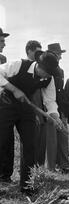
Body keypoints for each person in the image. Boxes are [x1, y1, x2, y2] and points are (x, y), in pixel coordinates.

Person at [0, 51, 62, 195]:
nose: (48, 76)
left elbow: (50, 100)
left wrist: (55, 116)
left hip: (26, 107)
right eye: (47, 72)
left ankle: (28, 186)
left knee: (30, 144)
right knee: (2, 141)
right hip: (6, 104)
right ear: (39, 66)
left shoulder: (49, 78)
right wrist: (14, 89)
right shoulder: (19, 65)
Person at [46, 43, 69, 173]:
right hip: (48, 108)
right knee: (51, 139)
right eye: (59, 54)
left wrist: (64, 109)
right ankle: (51, 167)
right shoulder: (45, 69)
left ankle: (64, 165)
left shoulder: (60, 71)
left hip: (59, 107)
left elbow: (60, 91)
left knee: (63, 137)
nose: (60, 57)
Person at [0, 27, 13, 185]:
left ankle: (5, 175)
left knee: (5, 139)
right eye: (2, 41)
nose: (4, 44)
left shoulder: (3, 60)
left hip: (3, 105)